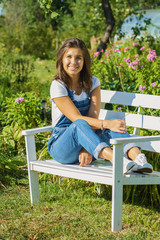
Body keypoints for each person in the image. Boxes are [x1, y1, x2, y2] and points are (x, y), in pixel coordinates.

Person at [47, 37, 153, 174]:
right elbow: (75, 118)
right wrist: (108, 123)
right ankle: (116, 159)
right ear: (61, 59)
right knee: (80, 124)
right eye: (69, 57)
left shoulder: (93, 82)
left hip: (88, 141)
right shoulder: (58, 85)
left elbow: (93, 117)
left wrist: (87, 148)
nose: (73, 62)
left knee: (115, 130)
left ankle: (139, 160)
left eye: (78, 58)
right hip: (62, 147)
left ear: (84, 60)